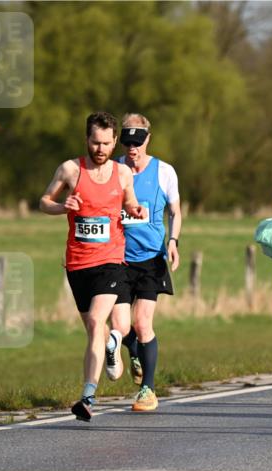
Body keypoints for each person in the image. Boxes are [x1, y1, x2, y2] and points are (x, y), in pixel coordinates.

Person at [39, 111, 142, 421]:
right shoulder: (71, 169)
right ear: (87, 140)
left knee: (98, 322)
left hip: (111, 260)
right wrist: (61, 206)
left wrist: (134, 209)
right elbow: (43, 201)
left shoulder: (122, 174)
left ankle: (87, 397)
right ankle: (112, 348)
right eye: (96, 143)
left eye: (107, 144)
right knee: (94, 331)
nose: (101, 149)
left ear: (114, 143)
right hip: (77, 263)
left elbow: (129, 202)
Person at [115, 113, 182, 412]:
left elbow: (175, 211)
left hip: (151, 257)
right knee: (118, 325)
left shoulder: (164, 171)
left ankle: (148, 390)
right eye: (128, 142)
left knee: (143, 323)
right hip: (116, 257)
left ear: (148, 139)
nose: (133, 149)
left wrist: (173, 241)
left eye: (138, 142)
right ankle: (135, 353)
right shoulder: (113, 169)